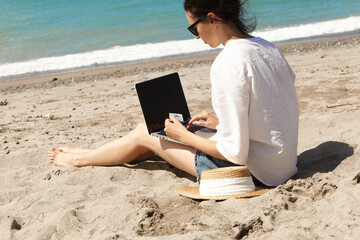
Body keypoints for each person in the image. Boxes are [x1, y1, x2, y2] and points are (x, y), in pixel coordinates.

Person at [48, 0, 299, 187]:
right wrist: (220, 123)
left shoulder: (228, 62)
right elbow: (273, 108)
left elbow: (233, 153)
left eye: (194, 28)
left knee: (145, 133)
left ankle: (80, 160)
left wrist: (184, 137)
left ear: (212, 18)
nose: (196, 36)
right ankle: (90, 154)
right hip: (282, 164)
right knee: (163, 129)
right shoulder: (267, 47)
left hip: (256, 174)